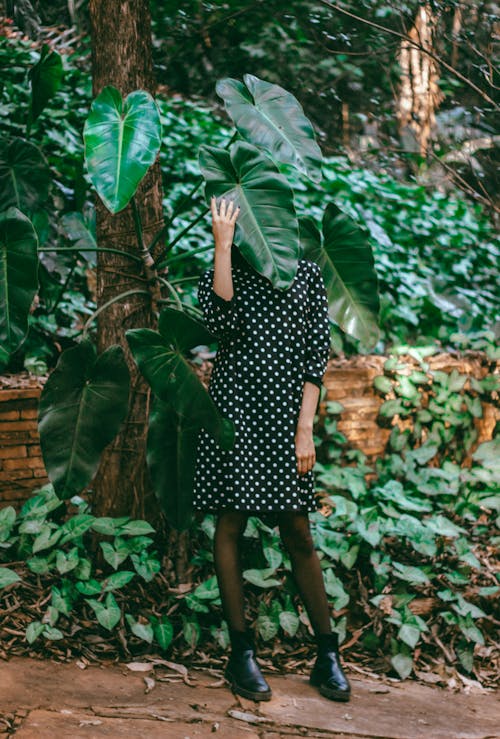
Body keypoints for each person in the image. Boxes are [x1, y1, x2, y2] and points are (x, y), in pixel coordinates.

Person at [192, 196, 350, 703]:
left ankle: (327, 654)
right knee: (231, 523)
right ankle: (241, 655)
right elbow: (218, 322)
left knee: (298, 530)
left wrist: (305, 429)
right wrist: (222, 246)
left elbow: (314, 357)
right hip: (235, 411)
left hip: (287, 420)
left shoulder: (305, 272)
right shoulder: (228, 265)